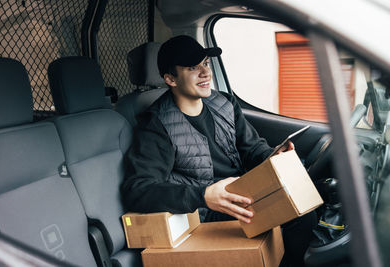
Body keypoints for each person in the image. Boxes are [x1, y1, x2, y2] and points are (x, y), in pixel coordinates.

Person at [121, 35, 316, 266]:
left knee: (304, 205)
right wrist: (203, 195)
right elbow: (138, 189)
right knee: (299, 217)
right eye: (193, 67)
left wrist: (272, 156)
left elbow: (251, 148)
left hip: (239, 191)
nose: (205, 73)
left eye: (206, 63)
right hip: (204, 211)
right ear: (170, 79)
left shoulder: (224, 103)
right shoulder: (156, 125)